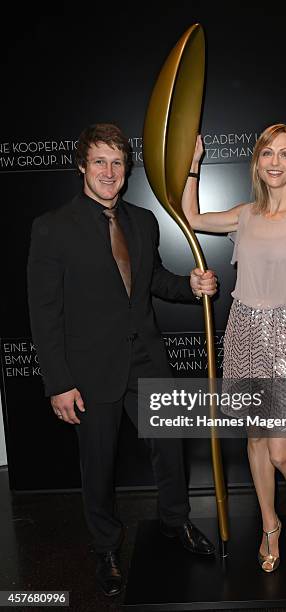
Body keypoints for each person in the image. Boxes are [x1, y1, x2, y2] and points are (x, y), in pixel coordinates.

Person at [27, 123, 217, 597]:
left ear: (126, 170)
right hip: (89, 371)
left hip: (146, 358)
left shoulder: (141, 221)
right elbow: (44, 312)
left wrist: (190, 287)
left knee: (170, 447)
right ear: (81, 166)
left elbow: (153, 282)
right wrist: (58, 382)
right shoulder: (52, 228)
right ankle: (106, 547)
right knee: (98, 464)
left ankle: (176, 522)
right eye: (99, 162)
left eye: (117, 163)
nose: (109, 172)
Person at [182, 124, 286, 573]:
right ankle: (271, 524)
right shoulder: (246, 214)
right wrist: (194, 166)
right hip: (243, 332)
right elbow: (191, 217)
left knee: (280, 451)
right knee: (254, 438)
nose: (274, 162)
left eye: (284, 154)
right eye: (267, 153)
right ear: (257, 161)